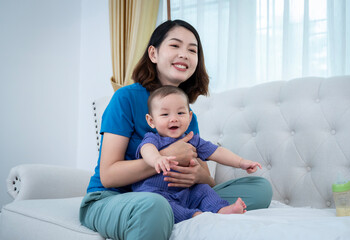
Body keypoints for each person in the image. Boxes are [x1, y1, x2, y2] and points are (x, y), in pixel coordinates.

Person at [79, 19, 273, 240]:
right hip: (111, 197)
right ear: (153, 54)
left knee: (260, 188)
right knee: (154, 206)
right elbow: (109, 176)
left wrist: (201, 175)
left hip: (178, 197)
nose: (184, 54)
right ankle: (180, 213)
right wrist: (166, 156)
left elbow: (203, 176)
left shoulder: (187, 115)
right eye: (175, 45)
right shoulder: (125, 98)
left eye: (192, 50)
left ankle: (190, 212)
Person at [134, 85, 263, 223]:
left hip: (185, 193)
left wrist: (241, 162)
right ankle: (194, 216)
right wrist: (157, 159)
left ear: (190, 117)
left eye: (180, 113)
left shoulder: (192, 139)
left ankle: (222, 210)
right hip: (155, 192)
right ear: (151, 121)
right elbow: (146, 149)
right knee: (161, 205)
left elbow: (216, 151)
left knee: (203, 189)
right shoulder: (153, 138)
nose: (174, 119)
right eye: (165, 114)